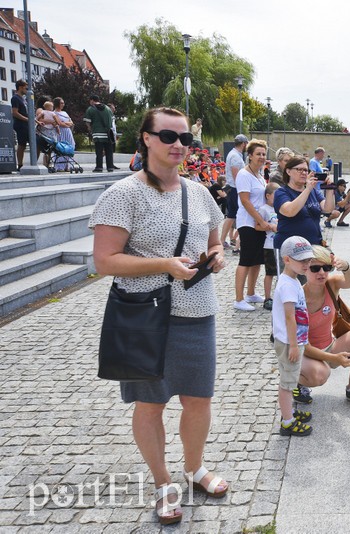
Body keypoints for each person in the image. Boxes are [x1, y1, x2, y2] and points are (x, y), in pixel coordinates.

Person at [89, 107, 228, 526]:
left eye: (185, 139)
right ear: (146, 138)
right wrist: (164, 265)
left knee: (198, 399)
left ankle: (195, 467)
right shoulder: (122, 194)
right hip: (145, 317)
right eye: (168, 136)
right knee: (150, 404)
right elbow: (105, 261)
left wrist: (216, 256)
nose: (178, 146)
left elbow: (215, 237)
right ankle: (162, 481)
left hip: (197, 311)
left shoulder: (198, 192)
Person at [296, 245, 350, 408]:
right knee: (320, 376)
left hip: (329, 345)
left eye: (326, 268)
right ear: (304, 269)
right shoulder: (297, 297)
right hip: (305, 352)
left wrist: (346, 267)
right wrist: (334, 359)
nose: (321, 273)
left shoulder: (330, 284)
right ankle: (296, 382)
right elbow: (302, 346)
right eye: (315, 268)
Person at [272, 236, 315, 437]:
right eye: (302, 261)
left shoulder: (293, 279)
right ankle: (287, 422)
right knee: (287, 384)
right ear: (287, 259)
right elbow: (290, 317)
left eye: (308, 260)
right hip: (290, 342)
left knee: (290, 380)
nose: (307, 264)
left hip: (293, 340)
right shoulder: (288, 285)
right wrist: (295, 345)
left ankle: (288, 412)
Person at [273, 155, 335, 256]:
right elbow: (290, 211)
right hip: (291, 249)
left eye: (306, 170)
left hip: (313, 246)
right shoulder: (281, 192)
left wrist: (329, 190)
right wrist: (307, 189)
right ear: (288, 171)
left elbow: (328, 209)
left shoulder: (313, 192)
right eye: (299, 170)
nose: (304, 173)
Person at [233, 139, 270, 311]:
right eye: (258, 154)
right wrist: (261, 220)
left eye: (263, 154)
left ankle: (251, 293)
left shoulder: (260, 176)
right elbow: (245, 201)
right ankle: (239, 298)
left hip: (258, 224)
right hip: (248, 223)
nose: (262, 157)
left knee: (256, 260)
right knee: (246, 260)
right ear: (250, 156)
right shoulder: (244, 174)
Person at [221, 134, 248, 251]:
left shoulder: (234, 154)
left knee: (231, 216)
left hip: (233, 188)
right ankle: (238, 243)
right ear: (243, 144)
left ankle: (222, 240)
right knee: (240, 215)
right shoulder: (236, 156)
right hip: (235, 188)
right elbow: (236, 174)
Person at [257, 182, 280, 310]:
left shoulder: (281, 208)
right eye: (275, 196)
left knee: (282, 272)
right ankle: (267, 297)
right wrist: (270, 227)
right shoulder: (264, 209)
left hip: (281, 244)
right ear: (268, 196)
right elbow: (257, 226)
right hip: (269, 245)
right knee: (270, 272)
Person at [83, 94, 115, 172]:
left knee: (99, 151)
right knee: (109, 151)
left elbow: (88, 122)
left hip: (97, 133)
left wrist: (90, 130)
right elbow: (112, 120)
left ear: (92, 100)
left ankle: (99, 167)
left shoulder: (90, 109)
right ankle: (110, 167)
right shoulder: (107, 108)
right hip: (108, 133)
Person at [11, 80, 30, 171]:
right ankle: (20, 165)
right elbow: (14, 113)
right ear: (20, 87)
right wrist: (27, 119)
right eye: (26, 88)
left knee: (34, 143)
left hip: (27, 124)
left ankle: (31, 162)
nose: (27, 90)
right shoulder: (15, 98)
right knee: (22, 144)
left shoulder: (24, 99)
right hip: (21, 124)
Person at [53, 97, 75, 172]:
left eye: (63, 103)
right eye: (61, 103)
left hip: (67, 131)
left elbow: (71, 122)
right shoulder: (54, 113)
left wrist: (65, 123)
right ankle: (59, 166)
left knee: (71, 145)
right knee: (61, 148)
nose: (63, 104)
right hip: (60, 132)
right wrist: (65, 124)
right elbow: (59, 123)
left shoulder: (65, 113)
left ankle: (67, 165)